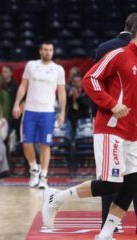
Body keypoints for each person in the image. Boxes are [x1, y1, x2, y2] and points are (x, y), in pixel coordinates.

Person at [42, 32, 137, 240]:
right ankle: (55, 198)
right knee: (111, 184)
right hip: (112, 129)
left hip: (133, 134)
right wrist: (112, 104)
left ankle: (105, 234)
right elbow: (90, 79)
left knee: (131, 186)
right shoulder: (119, 54)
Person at [93, 12, 137, 231]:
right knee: (130, 175)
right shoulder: (122, 52)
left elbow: (97, 86)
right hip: (123, 120)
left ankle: (106, 223)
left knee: (111, 175)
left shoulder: (103, 47)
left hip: (108, 118)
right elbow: (92, 79)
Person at [12, 42, 66, 189]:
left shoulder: (58, 69)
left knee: (45, 144)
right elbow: (23, 86)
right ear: (40, 51)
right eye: (45, 50)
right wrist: (17, 103)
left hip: (48, 111)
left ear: (53, 51)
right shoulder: (31, 65)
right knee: (26, 142)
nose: (48, 52)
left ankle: (43, 176)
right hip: (29, 109)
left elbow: (61, 92)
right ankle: (34, 169)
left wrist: (62, 112)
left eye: (50, 50)